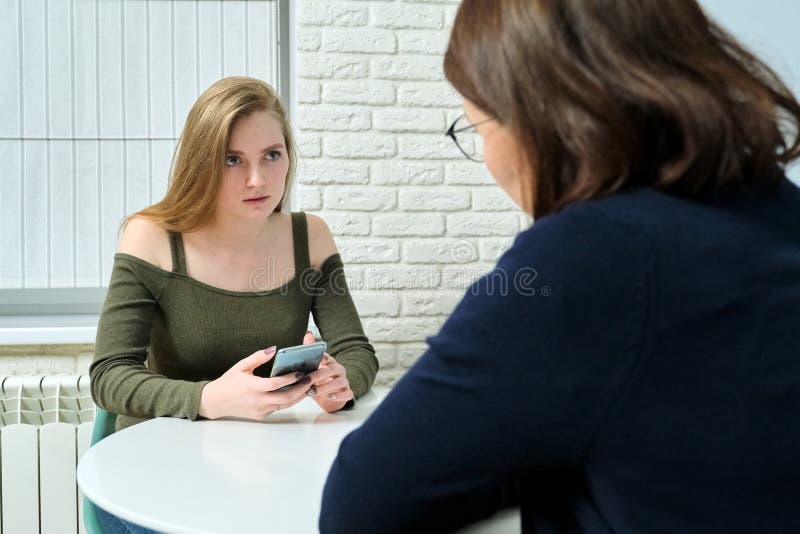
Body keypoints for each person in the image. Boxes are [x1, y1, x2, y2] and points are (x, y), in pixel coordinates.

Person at [320, 1, 800, 533]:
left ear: (535, 118)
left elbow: (359, 504)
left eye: (477, 126)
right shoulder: (783, 211)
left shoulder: (591, 254)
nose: (488, 158)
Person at [89, 77, 377, 533]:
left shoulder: (311, 236)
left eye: (272, 155)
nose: (258, 179)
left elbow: (358, 352)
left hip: (271, 466)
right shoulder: (152, 236)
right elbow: (109, 376)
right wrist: (208, 397)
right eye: (232, 160)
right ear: (202, 162)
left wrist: (342, 384)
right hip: (158, 472)